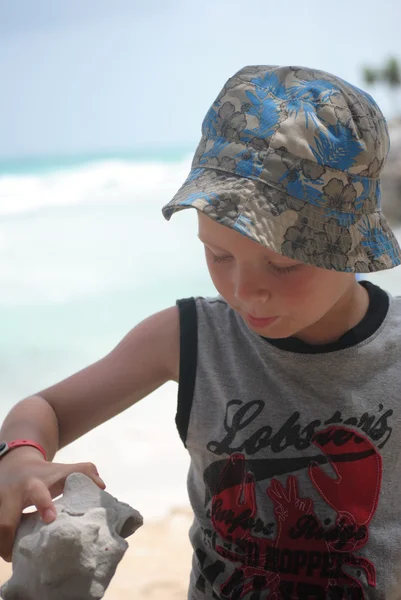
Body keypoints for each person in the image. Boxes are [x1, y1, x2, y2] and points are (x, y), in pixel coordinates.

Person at [1, 65, 401, 599]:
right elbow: (44, 409)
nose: (245, 290)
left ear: (353, 246)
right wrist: (20, 456)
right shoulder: (190, 337)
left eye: (283, 266)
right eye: (217, 254)